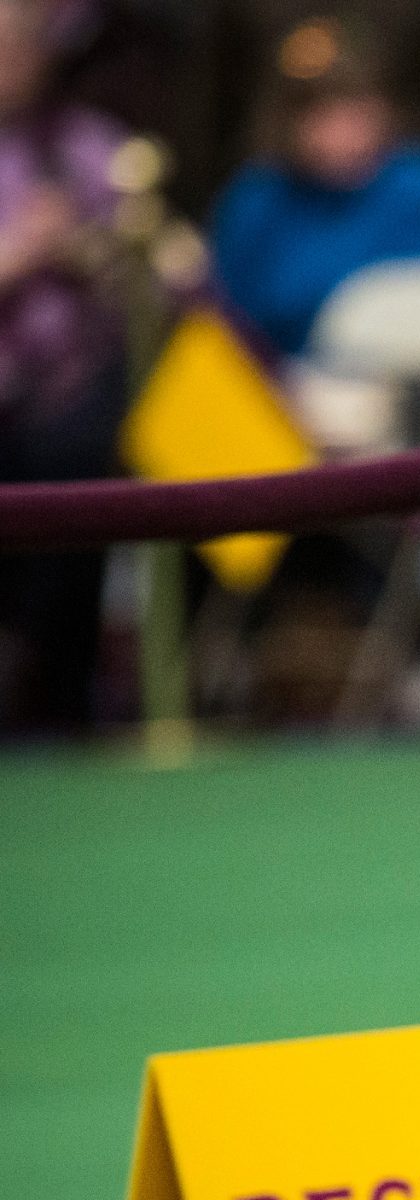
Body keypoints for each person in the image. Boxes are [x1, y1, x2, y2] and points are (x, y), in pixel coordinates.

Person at [0, 0, 127, 733]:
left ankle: (61, 696)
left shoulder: (89, 147)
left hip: (67, 398)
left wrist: (90, 252)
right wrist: (17, 255)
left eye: (18, 44)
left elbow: (159, 279)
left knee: (82, 452)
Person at [209, 19, 420, 360]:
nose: (339, 136)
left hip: (404, 383)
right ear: (284, 121)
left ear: (385, 111)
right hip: (281, 381)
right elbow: (223, 320)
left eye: (355, 116)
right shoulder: (256, 199)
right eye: (320, 117)